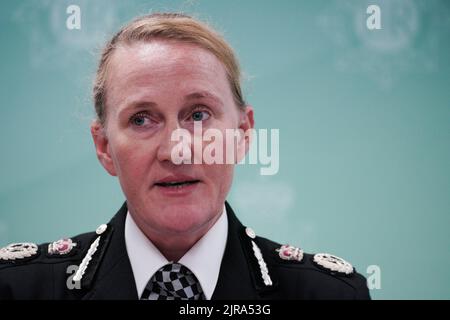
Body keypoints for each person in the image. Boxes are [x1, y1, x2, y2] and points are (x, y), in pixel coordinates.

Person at [0, 13, 370, 300]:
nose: (176, 150)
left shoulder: (328, 294)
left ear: (242, 133)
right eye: (141, 119)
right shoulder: (16, 288)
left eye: (198, 115)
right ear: (104, 147)